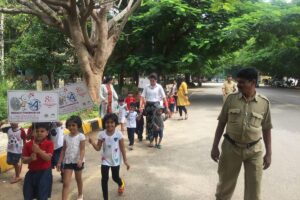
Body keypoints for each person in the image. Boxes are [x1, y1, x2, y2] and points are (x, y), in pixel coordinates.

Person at [211, 68, 273, 200]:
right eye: (237, 82)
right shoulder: (230, 99)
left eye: (242, 82)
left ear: (253, 82)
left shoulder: (264, 103)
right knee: (224, 187)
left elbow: (267, 128)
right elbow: (221, 123)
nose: (237, 85)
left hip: (254, 151)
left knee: (254, 190)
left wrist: (269, 153)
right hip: (231, 148)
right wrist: (214, 146)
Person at [89, 113, 130, 200]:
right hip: (105, 160)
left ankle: (120, 183)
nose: (109, 124)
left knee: (115, 177)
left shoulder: (118, 134)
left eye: (112, 122)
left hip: (116, 160)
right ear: (104, 123)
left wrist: (125, 161)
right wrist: (92, 142)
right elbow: (98, 148)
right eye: (107, 122)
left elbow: (122, 148)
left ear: (115, 123)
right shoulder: (101, 134)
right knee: (104, 179)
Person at [22, 122, 54, 200]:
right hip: (31, 172)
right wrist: (30, 158)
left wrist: (39, 151)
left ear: (47, 133)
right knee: (27, 194)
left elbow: (48, 158)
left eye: (42, 131)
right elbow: (24, 160)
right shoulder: (28, 144)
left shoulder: (49, 143)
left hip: (45, 173)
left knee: (42, 196)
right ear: (33, 132)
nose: (39, 133)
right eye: (36, 131)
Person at [57, 116, 85, 200]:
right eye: (69, 125)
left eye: (73, 125)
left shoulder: (81, 136)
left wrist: (80, 159)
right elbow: (63, 150)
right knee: (65, 183)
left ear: (78, 126)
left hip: (78, 162)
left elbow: (82, 149)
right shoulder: (65, 136)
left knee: (78, 179)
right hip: (68, 161)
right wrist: (59, 162)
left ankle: (80, 194)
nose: (71, 127)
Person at [139, 73, 169, 143]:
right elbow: (142, 97)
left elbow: (164, 98)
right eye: (150, 80)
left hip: (156, 106)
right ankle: (150, 137)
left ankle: (152, 139)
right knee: (149, 122)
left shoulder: (159, 87)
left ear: (156, 80)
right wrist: (141, 106)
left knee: (155, 122)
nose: (152, 82)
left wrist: (167, 107)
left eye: (153, 80)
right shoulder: (146, 87)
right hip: (148, 106)